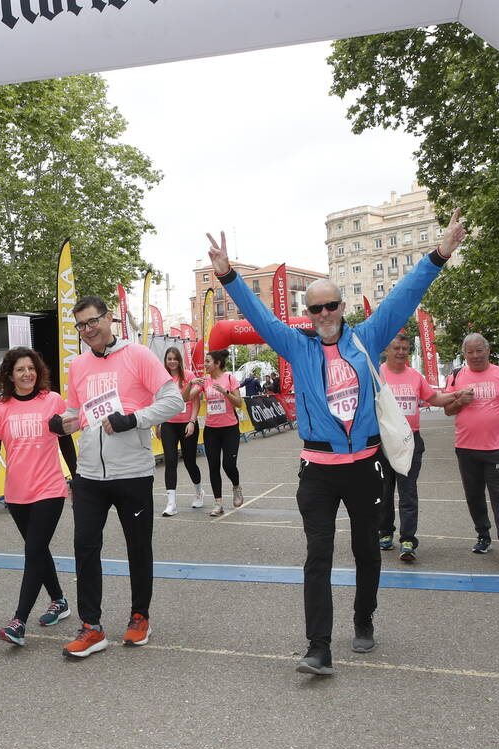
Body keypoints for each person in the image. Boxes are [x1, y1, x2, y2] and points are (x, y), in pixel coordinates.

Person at [206, 208, 467, 676]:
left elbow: (404, 298)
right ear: (308, 314)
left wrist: (440, 253)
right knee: (317, 557)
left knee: (367, 551)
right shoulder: (296, 346)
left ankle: (363, 618)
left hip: (365, 466)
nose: (324, 314)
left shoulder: (368, 338)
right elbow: (259, 316)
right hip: (318, 472)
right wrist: (228, 275)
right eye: (315, 308)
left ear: (342, 308)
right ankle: (318, 646)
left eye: (331, 306)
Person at [50, 296, 183, 658]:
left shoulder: (138, 355)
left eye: (92, 321)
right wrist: (62, 422)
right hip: (90, 474)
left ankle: (140, 616)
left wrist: (133, 419)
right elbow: (78, 412)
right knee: (85, 547)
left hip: (133, 472)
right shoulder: (77, 365)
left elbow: (175, 402)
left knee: (138, 548)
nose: (87, 330)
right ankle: (91, 627)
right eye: (80, 325)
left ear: (110, 319)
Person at [0, 347, 78, 646]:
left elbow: (66, 443)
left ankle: (18, 621)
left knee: (33, 551)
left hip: (49, 488)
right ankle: (59, 600)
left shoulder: (52, 401)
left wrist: (79, 478)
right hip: (17, 493)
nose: (27, 374)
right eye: (20, 369)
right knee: (39, 550)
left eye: (31, 368)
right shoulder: (0, 408)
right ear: (9, 374)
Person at [442, 333, 499, 564]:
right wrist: (459, 402)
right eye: (470, 352)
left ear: (488, 351)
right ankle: (483, 536)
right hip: (465, 448)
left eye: (479, 351)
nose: (475, 356)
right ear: (464, 354)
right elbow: (447, 410)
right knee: (474, 496)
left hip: (498, 449)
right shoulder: (455, 376)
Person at [376, 334, 456, 562]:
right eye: (397, 348)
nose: (401, 352)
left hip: (410, 442)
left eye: (405, 348)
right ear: (387, 351)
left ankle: (408, 540)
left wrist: (456, 395)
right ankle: (385, 533)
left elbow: (435, 399)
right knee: (384, 492)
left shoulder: (415, 376)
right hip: (383, 443)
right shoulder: (377, 374)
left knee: (408, 493)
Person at [197, 349, 245, 517]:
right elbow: (187, 398)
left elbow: (239, 403)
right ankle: (218, 503)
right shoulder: (204, 381)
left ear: (217, 363)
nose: (205, 364)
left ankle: (236, 487)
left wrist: (225, 392)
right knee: (213, 466)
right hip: (211, 430)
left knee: (229, 465)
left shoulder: (230, 379)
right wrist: (190, 384)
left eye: (208, 361)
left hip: (230, 428)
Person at [157, 345, 204, 517]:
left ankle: (199, 492)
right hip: (169, 423)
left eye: (175, 358)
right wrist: (158, 423)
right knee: (170, 461)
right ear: (165, 360)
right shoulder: (162, 378)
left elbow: (194, 401)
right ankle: (171, 503)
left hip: (187, 423)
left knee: (190, 461)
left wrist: (192, 421)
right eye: (169, 359)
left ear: (180, 360)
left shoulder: (189, 376)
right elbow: (160, 403)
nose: (172, 362)